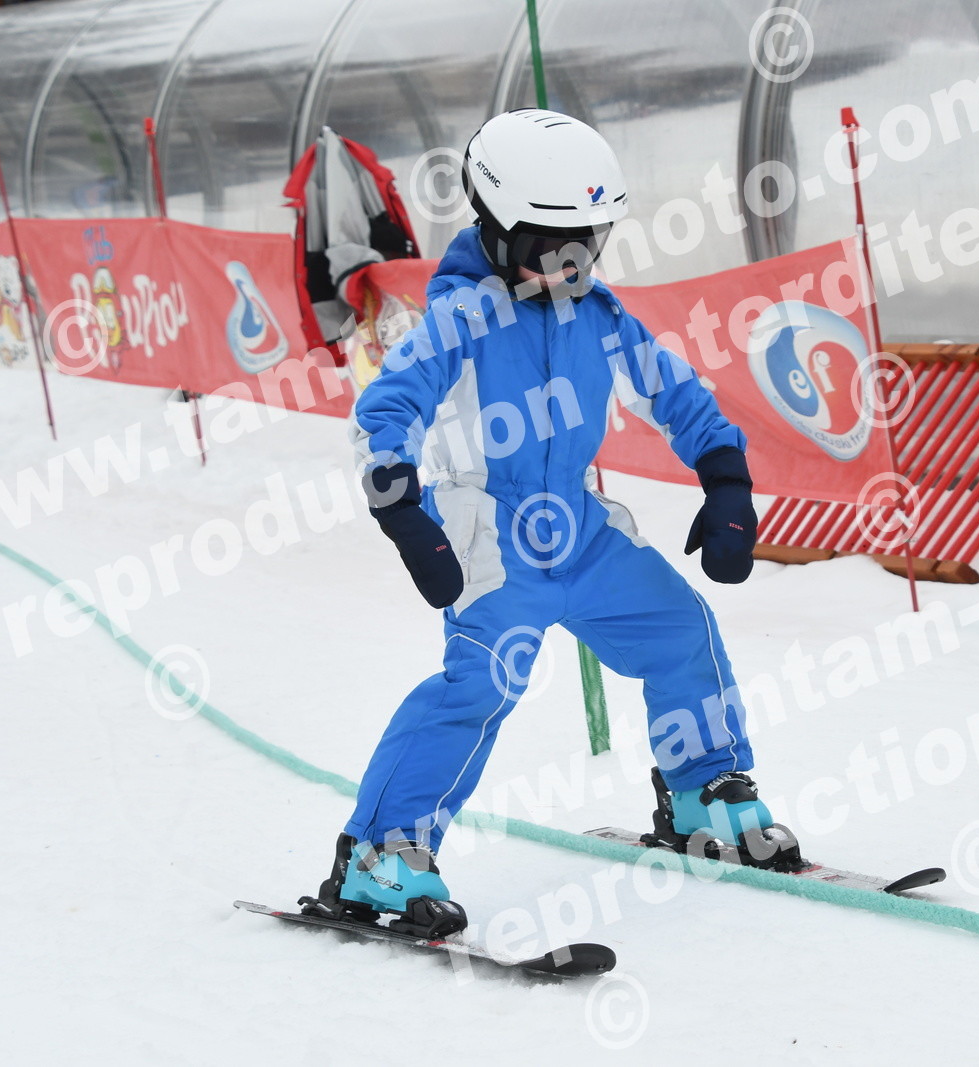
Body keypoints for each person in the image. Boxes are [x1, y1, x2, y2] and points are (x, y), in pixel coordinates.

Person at [302, 108, 785, 937]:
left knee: (682, 630)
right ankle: (381, 852)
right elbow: (388, 407)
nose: (568, 267)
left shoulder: (597, 313)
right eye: (546, 248)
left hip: (580, 525)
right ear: (494, 230)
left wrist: (725, 475)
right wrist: (400, 504)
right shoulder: (460, 318)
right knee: (480, 684)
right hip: (491, 533)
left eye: (585, 247)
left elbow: (673, 390)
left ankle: (703, 787)